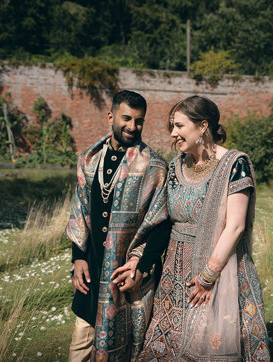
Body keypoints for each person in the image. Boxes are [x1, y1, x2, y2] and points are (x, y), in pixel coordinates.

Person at [137, 96, 270, 361]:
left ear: (202, 127)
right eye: (172, 126)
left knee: (212, 343)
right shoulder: (175, 167)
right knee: (167, 345)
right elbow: (162, 220)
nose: (173, 133)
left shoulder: (234, 164)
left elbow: (235, 226)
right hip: (174, 274)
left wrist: (208, 277)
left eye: (179, 125)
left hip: (220, 269)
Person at [66, 90, 171, 361]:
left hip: (127, 276)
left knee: (127, 349)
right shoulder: (89, 161)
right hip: (92, 269)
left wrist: (143, 265)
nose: (132, 127)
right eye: (126, 118)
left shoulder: (154, 167)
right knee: (80, 346)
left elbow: (161, 224)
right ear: (110, 117)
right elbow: (80, 211)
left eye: (139, 121)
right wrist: (78, 258)